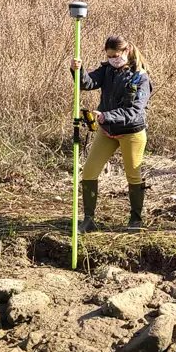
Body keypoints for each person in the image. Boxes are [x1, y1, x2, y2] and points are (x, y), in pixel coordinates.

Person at [70, 35, 153, 232]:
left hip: (131, 133)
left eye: (115, 56)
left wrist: (107, 116)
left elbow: (135, 111)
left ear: (126, 52)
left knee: (133, 176)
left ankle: (135, 220)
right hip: (107, 131)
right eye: (109, 56)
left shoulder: (141, 78)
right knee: (89, 171)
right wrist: (78, 70)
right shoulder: (107, 70)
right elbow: (87, 83)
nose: (113, 60)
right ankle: (88, 219)